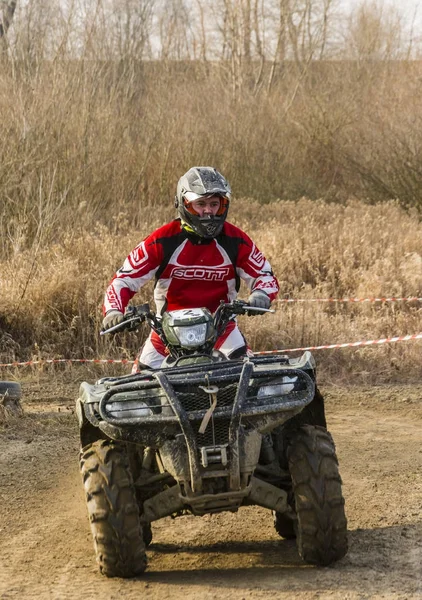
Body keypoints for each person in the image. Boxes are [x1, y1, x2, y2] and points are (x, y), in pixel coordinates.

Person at [102, 166, 279, 371]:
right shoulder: (162, 240)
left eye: (215, 204)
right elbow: (124, 279)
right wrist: (113, 311)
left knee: (248, 377)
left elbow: (264, 275)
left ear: (224, 205)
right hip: (167, 333)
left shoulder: (235, 240)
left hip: (221, 329)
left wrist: (261, 293)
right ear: (184, 204)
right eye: (200, 204)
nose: (208, 211)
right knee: (140, 384)